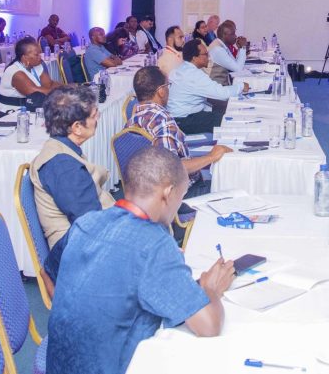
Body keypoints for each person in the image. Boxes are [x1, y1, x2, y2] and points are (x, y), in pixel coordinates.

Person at [46, 145, 234, 374]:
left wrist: (79, 318)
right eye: (181, 196)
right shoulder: (154, 243)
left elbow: (48, 272)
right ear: (168, 193)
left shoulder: (86, 223)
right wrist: (210, 288)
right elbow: (209, 325)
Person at [31, 86, 115, 284]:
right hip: (76, 253)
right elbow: (91, 225)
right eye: (94, 115)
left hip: (81, 240)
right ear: (77, 127)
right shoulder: (63, 167)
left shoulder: (60, 149)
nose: (98, 118)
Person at [128, 66, 231, 198]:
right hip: (181, 195)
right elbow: (170, 168)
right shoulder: (162, 120)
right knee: (232, 183)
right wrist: (211, 157)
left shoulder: (135, 116)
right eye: (168, 86)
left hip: (146, 192)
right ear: (161, 91)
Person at [167, 39, 248, 134]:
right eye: (205, 54)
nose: (209, 57)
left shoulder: (181, 69)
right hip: (185, 120)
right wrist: (241, 86)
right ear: (194, 58)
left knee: (222, 111)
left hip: (178, 118)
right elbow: (222, 94)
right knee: (230, 120)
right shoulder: (193, 75)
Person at [0, 38, 58, 108]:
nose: (40, 56)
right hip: (12, 110)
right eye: (36, 55)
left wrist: (67, 88)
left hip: (32, 106)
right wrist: (62, 92)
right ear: (24, 58)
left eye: (40, 53)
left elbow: (49, 84)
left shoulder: (37, 66)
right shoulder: (15, 72)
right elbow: (35, 93)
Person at [206, 20, 247, 86]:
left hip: (220, 84)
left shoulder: (221, 45)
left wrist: (240, 48)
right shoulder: (218, 49)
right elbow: (238, 69)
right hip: (215, 87)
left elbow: (234, 63)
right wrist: (243, 47)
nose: (235, 36)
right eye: (233, 34)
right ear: (224, 35)